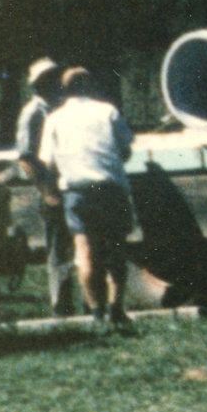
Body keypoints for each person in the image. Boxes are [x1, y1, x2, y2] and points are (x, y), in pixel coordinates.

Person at [39, 66, 136, 334]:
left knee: (85, 251)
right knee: (116, 249)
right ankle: (117, 307)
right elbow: (125, 149)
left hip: (77, 190)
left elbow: (47, 161)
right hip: (110, 186)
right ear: (90, 85)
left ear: (63, 90)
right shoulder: (107, 111)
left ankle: (97, 313)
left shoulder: (54, 119)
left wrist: (49, 191)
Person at [13, 58, 79, 316]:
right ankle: (61, 303)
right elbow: (26, 157)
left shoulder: (61, 109)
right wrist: (47, 191)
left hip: (70, 181)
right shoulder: (33, 113)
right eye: (48, 78)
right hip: (51, 186)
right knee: (58, 248)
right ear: (38, 84)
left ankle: (85, 301)